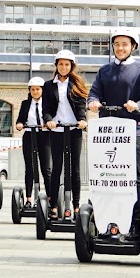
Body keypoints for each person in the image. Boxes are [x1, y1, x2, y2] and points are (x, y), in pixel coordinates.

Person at [87, 29, 140, 236]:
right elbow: (93, 93)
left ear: (133, 46)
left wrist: (137, 105)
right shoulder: (104, 71)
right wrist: (93, 103)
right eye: (116, 44)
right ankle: (104, 220)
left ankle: (133, 223)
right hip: (108, 133)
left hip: (133, 132)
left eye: (124, 44)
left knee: (132, 178)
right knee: (105, 176)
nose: (120, 48)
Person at [44, 50, 89, 217]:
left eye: (67, 64)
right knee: (57, 167)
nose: (63, 67)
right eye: (61, 64)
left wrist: (82, 120)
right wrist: (48, 120)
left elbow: (81, 106)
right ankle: (54, 205)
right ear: (56, 65)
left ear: (71, 66)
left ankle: (76, 206)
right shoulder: (48, 86)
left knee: (75, 168)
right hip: (57, 130)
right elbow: (46, 109)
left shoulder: (76, 84)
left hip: (74, 130)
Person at [15, 76, 51, 208]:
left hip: (44, 136)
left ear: (42, 90)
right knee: (30, 168)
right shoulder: (25, 104)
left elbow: (52, 118)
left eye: (38, 89)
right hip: (30, 136)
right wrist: (19, 124)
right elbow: (20, 120)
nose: (35, 92)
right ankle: (29, 199)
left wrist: (47, 125)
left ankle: (49, 197)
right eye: (33, 89)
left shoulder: (48, 104)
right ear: (29, 90)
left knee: (46, 168)